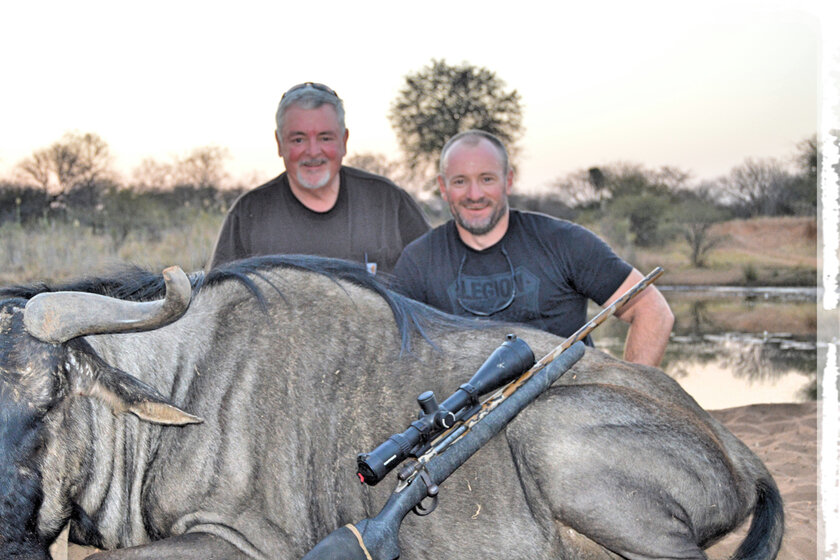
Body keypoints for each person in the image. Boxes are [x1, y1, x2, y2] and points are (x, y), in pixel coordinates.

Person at [392, 130, 674, 366]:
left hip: (571, 412)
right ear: (443, 187)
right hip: (466, 421)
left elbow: (652, 311)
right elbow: (394, 351)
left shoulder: (565, 242)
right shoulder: (419, 261)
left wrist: (625, 400)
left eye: (487, 179)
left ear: (508, 181)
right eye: (460, 181)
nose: (474, 194)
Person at [207, 82, 429, 275]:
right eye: (298, 140)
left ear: (344, 140)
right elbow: (218, 304)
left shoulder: (388, 202)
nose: (313, 152)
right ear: (279, 143)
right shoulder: (248, 215)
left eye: (325, 138)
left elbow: (437, 280)